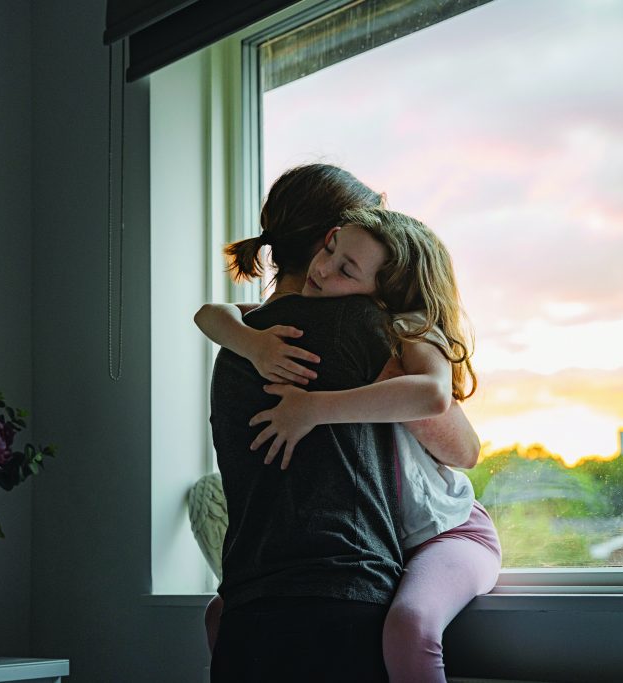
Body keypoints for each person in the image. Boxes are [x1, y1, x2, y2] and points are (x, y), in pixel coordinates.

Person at [198, 203, 501, 682]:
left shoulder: (405, 330)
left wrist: (314, 409)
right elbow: (211, 313)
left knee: (410, 625)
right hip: (393, 544)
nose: (322, 269)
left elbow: (435, 395)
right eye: (330, 248)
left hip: (450, 532)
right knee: (221, 612)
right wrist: (250, 343)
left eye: (346, 269)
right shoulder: (310, 321)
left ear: (384, 293)